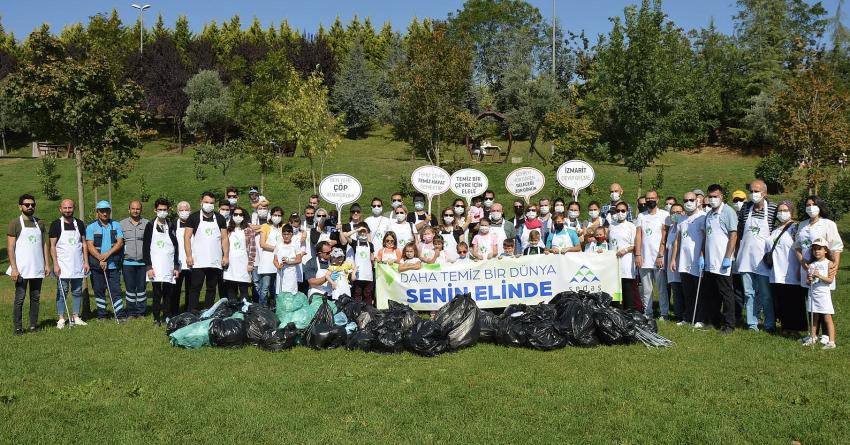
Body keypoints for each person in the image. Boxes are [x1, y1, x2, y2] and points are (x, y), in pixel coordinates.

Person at [794, 195, 843, 344]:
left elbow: (836, 246)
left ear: (820, 206)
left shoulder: (828, 224)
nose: (810, 207)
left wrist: (835, 265)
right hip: (808, 268)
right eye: (807, 204)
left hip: (823, 268)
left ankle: (827, 335)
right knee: (811, 300)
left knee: (824, 301)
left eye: (813, 204)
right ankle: (813, 334)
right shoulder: (802, 225)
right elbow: (797, 246)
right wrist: (802, 261)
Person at [735, 179, 777, 332]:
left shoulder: (772, 209)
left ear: (764, 193)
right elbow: (740, 229)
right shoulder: (746, 208)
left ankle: (769, 323)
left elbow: (776, 232)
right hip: (745, 257)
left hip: (763, 259)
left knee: (765, 294)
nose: (753, 194)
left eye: (757, 191)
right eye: (751, 191)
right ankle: (752, 324)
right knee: (749, 293)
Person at [8, 194, 50, 335]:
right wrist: (14, 268)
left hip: (37, 267)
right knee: (20, 298)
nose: (30, 207)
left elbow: (44, 244)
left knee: (35, 297)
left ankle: (33, 326)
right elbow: (10, 247)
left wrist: (47, 264)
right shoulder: (15, 223)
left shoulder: (40, 223)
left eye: (32, 204)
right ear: (20, 206)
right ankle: (18, 328)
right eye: (27, 205)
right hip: (21, 269)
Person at [701, 184, 738, 334]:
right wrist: (702, 256)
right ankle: (713, 321)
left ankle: (729, 324)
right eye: (710, 196)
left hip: (723, 261)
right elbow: (706, 237)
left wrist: (728, 257)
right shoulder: (709, 214)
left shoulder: (728, 212)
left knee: (726, 293)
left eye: (715, 196)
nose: (712, 199)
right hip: (710, 261)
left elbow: (733, 235)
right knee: (712, 293)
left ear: (722, 196)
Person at [184, 191, 229, 311]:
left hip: (215, 260)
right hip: (198, 261)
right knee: (195, 288)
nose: (209, 205)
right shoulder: (193, 217)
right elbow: (187, 237)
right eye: (206, 202)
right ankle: (192, 312)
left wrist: (226, 256)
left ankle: (208, 312)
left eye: (211, 203)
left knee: (211, 288)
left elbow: (225, 238)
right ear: (201, 202)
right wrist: (189, 256)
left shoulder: (220, 218)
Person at [49, 199, 89, 329]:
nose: (68, 210)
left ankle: (76, 316)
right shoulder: (55, 224)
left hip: (78, 264)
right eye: (65, 208)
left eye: (70, 208)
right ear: (60, 209)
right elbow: (52, 246)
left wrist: (86, 261)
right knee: (62, 291)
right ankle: (61, 318)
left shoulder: (80, 224)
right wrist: (55, 264)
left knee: (77, 291)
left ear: (74, 208)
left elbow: (84, 243)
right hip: (62, 265)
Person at [768, 201, 806, 336]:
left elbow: (801, 248)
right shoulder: (775, 229)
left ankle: (795, 328)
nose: (782, 213)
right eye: (780, 210)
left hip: (791, 270)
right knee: (781, 300)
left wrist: (800, 267)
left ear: (791, 212)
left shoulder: (796, 228)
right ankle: (785, 327)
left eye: (785, 210)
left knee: (794, 301)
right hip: (776, 272)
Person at [86, 200, 127, 321]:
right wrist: (100, 258)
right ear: (97, 212)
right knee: (99, 290)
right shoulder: (91, 227)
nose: (105, 213)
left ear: (110, 211)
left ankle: (119, 315)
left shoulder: (116, 225)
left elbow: (120, 242)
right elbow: (89, 245)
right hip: (96, 265)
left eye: (107, 210)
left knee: (116, 290)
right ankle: (102, 315)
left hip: (113, 264)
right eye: (102, 211)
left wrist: (107, 255)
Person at [142, 198, 180, 327]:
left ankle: (167, 315)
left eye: (164, 210)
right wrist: (149, 267)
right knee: (157, 293)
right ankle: (156, 318)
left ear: (168, 210)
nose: (162, 212)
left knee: (168, 293)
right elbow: (146, 248)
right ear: (155, 210)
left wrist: (176, 266)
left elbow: (176, 246)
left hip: (169, 264)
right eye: (160, 210)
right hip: (155, 266)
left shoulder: (171, 225)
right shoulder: (149, 225)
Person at [671, 192, 706, 326]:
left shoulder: (702, 217)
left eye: (691, 200)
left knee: (699, 291)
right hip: (683, 261)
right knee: (687, 291)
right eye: (685, 200)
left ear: (697, 201)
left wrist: (702, 255)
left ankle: (700, 318)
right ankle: (688, 317)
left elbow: (705, 239)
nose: (688, 202)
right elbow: (677, 241)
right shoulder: (681, 219)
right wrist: (673, 259)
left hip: (697, 260)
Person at [634, 190, 670, 319]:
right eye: (648, 198)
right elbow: (638, 236)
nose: (650, 200)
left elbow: (665, 237)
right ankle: (647, 313)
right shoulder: (641, 216)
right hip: (644, 258)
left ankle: (664, 313)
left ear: (658, 199)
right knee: (646, 289)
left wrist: (661, 255)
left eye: (652, 198)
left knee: (661, 289)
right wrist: (638, 255)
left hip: (658, 258)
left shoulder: (665, 215)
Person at [801, 239, 836, 349]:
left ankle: (831, 342)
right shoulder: (811, 265)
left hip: (824, 294)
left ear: (825, 250)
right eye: (814, 249)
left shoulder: (829, 263)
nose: (817, 252)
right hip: (813, 293)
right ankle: (813, 336)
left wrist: (819, 275)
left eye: (819, 249)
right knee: (813, 315)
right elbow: (808, 281)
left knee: (827, 317)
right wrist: (810, 279)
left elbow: (830, 280)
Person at [121, 201, 150, 318]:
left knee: (142, 288)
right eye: (133, 208)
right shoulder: (122, 224)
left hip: (143, 262)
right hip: (128, 262)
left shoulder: (147, 223)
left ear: (141, 210)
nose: (135, 211)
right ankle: (131, 312)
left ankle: (141, 311)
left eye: (138, 209)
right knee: (130, 288)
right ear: (129, 210)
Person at [222, 206, 257, 303]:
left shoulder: (249, 230)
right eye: (236, 214)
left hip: (243, 264)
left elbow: (253, 249)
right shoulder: (228, 230)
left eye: (240, 214)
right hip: (230, 265)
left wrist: (250, 264)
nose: (238, 216)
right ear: (232, 216)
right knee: (231, 292)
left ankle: (244, 313)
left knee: (244, 293)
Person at [608, 202, 639, 310]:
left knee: (627, 287)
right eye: (618, 211)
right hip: (614, 262)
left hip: (626, 261)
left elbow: (635, 245)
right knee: (616, 288)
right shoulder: (612, 226)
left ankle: (629, 311)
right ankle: (618, 310)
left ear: (627, 212)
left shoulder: (631, 226)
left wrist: (625, 250)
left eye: (623, 211)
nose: (620, 213)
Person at [256, 207, 284, 305]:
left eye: (279, 215)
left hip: (279, 261)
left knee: (276, 287)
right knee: (265, 286)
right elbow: (262, 244)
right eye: (275, 215)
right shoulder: (265, 227)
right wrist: (276, 248)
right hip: (267, 261)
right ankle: (262, 306)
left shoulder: (283, 227)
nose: (277, 217)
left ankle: (275, 306)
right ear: (271, 216)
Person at [665, 204, 685, 321]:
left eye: (678, 212)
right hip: (671, 267)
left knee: (682, 292)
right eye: (673, 212)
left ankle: (684, 315)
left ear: (683, 212)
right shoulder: (672, 228)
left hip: (681, 264)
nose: (675, 214)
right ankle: (679, 315)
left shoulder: (682, 226)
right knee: (676, 291)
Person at [273, 223, 305, 296]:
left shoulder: (295, 245)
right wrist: (278, 266)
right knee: (281, 293)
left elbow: (299, 260)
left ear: (291, 234)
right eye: (284, 234)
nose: (286, 236)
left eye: (288, 234)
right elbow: (275, 260)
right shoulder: (278, 245)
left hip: (291, 273)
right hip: (281, 273)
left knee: (291, 293)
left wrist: (289, 262)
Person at [347, 224, 375, 305]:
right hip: (358, 273)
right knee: (357, 293)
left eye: (364, 232)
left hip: (368, 273)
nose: (362, 234)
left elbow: (372, 258)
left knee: (368, 293)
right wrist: (357, 230)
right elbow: (346, 235)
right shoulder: (355, 243)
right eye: (360, 232)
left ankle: (369, 311)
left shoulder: (370, 244)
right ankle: (357, 310)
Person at [174, 201, 193, 312]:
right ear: (177, 212)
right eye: (181, 210)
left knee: (190, 289)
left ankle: (189, 311)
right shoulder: (173, 225)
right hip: (177, 263)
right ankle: (174, 312)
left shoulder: (195, 224)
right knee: (175, 289)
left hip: (191, 262)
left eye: (186, 210)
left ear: (190, 211)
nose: (184, 212)